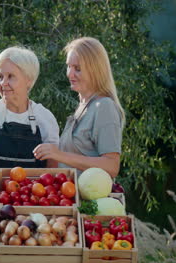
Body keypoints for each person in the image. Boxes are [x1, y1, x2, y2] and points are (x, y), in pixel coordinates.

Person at [33, 37, 125, 178]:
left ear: (95, 70)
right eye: (69, 66)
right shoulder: (83, 106)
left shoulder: (104, 107)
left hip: (91, 199)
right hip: (72, 197)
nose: (70, 74)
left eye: (78, 69)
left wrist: (60, 154)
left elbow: (111, 166)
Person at [0, 47, 60, 173]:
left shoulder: (46, 118)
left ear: (28, 80)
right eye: (0, 76)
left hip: (33, 191)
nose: (3, 83)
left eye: (10, 76)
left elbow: (52, 168)